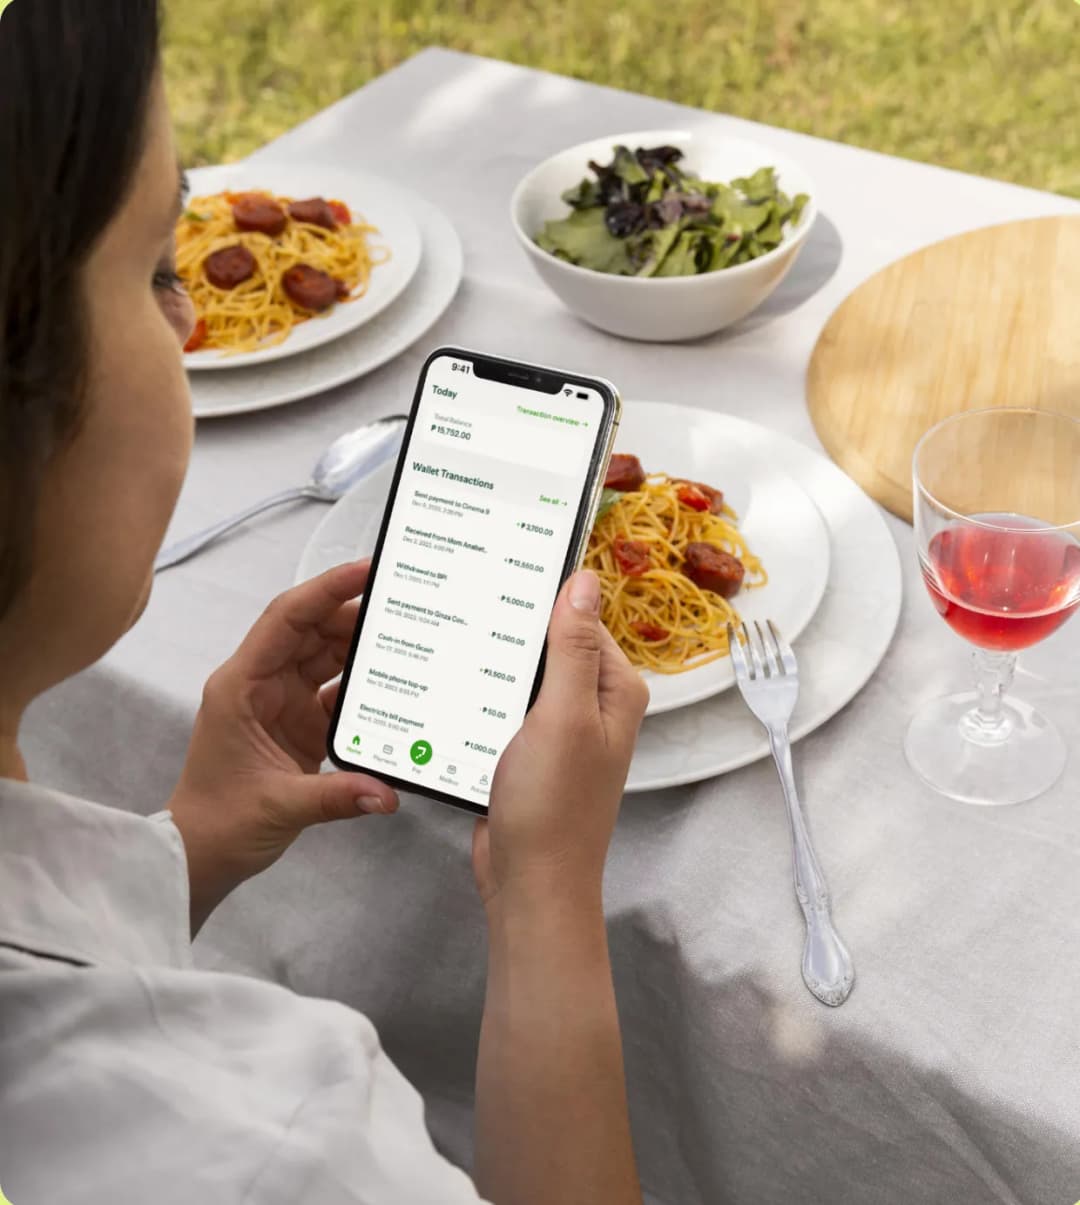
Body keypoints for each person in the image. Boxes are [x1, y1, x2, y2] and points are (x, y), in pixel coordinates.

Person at [0, 3, 650, 1203]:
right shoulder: (269, 1143)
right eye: (154, 269)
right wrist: (547, 890)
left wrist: (184, 844)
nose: (191, 317)